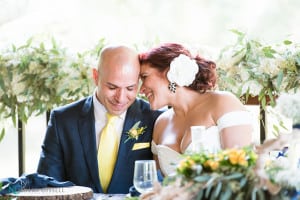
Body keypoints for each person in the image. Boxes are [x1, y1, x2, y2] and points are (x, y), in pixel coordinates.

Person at [37, 44, 163, 194]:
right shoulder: (62, 120)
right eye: (112, 87)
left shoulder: (155, 119)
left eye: (130, 88)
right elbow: (46, 187)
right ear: (96, 77)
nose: (121, 98)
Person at [138, 43, 254, 176]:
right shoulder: (161, 123)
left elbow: (242, 174)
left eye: (145, 77)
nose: (141, 89)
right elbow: (159, 185)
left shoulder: (223, 103)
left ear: (168, 73)